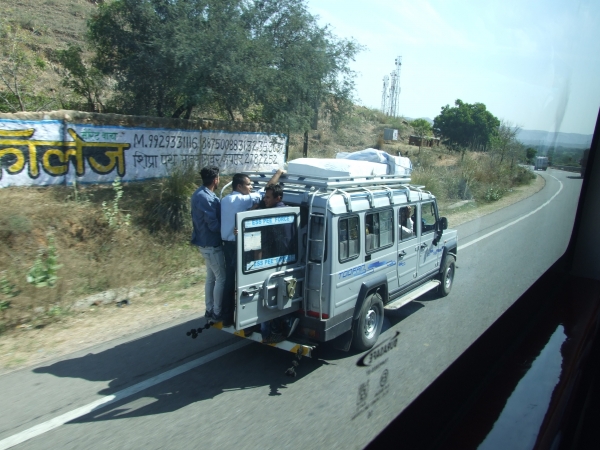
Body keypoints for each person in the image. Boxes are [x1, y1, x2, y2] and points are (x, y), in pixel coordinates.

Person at [220, 169, 285, 327]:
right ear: (240, 186)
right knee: (247, 280)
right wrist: (278, 173)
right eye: (249, 185)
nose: (251, 188)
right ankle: (248, 319)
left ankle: (227, 317)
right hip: (238, 245)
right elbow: (265, 191)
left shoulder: (225, 199)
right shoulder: (242, 200)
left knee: (229, 280)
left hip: (226, 244)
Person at [257, 183, 300, 344]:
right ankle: (279, 326)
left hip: (274, 262)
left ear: (278, 198)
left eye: (268, 197)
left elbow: (270, 241)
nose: (264, 200)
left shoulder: (272, 215)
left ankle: (269, 333)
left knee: (271, 298)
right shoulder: (289, 212)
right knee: (281, 295)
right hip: (286, 262)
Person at [190, 166, 226, 322]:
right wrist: (229, 231)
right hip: (211, 245)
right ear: (215, 180)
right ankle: (217, 311)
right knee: (221, 278)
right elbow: (213, 225)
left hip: (203, 244)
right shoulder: (207, 198)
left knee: (211, 277)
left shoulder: (198, 194)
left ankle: (209, 309)